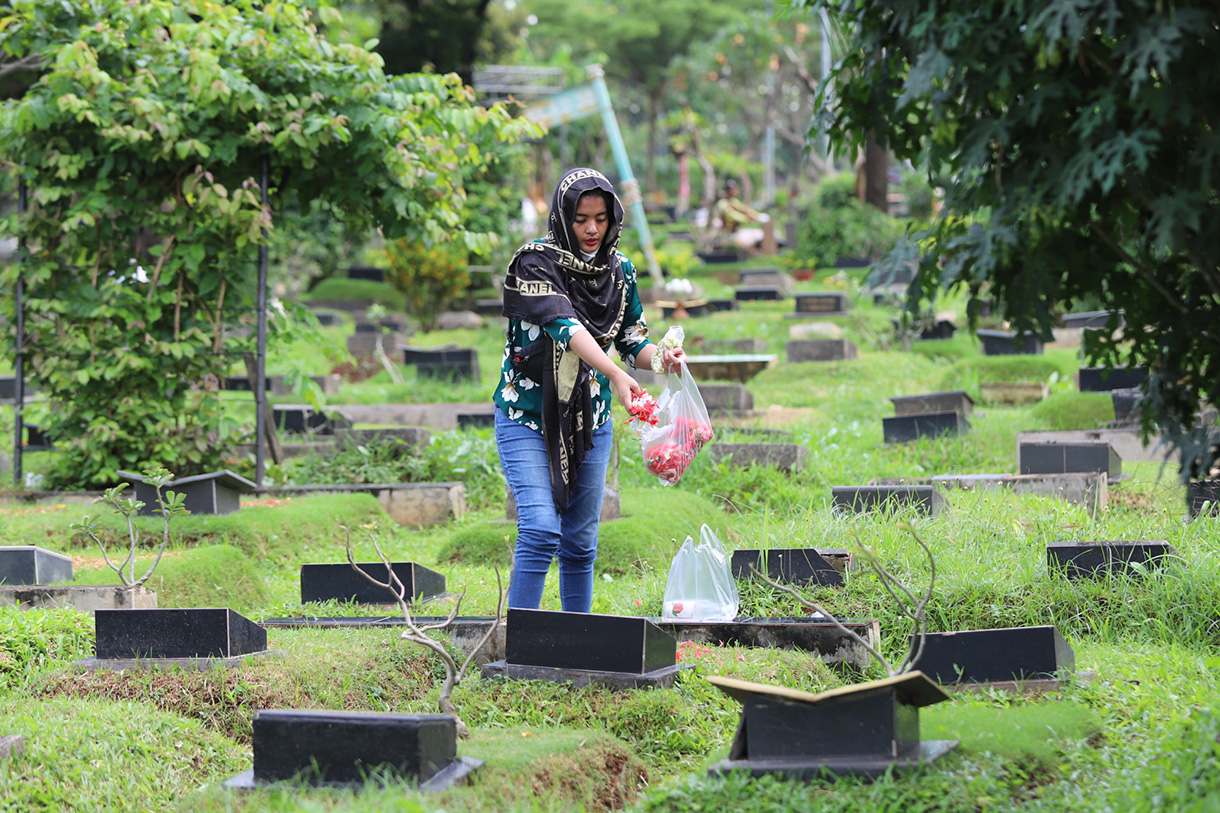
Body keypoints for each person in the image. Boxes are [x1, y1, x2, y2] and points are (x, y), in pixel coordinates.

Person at [494, 167, 686, 613]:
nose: (592, 229)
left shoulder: (619, 271)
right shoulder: (534, 262)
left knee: (580, 543)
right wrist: (617, 376)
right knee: (541, 528)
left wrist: (661, 358)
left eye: (601, 218)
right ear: (564, 216)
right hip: (527, 415)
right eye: (581, 218)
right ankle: (522, 638)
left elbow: (632, 339)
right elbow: (565, 327)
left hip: (590, 419)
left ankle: (575, 638)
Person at [713, 179, 768, 252]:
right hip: (726, 234)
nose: (735, 191)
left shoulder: (734, 201)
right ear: (728, 191)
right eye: (733, 189)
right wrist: (747, 219)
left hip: (735, 232)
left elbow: (745, 209)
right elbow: (731, 215)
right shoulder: (723, 203)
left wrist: (757, 216)